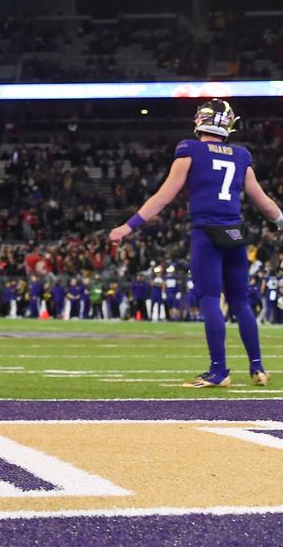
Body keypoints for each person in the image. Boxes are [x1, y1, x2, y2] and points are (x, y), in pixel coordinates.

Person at [109, 99, 282, 387]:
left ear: (200, 121)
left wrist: (128, 226)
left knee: (211, 299)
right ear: (228, 123)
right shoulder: (241, 155)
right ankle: (258, 367)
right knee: (240, 302)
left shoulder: (189, 150)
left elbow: (164, 196)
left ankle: (219, 371)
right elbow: (264, 204)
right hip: (236, 235)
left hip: (206, 234)